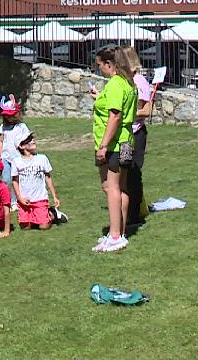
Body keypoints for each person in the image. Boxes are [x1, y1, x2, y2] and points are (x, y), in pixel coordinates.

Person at [89, 46, 138, 253]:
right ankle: (119, 232)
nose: (98, 68)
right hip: (127, 141)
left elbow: (115, 116)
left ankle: (116, 235)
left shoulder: (117, 84)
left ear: (109, 64)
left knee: (112, 187)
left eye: (99, 64)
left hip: (115, 144)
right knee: (122, 186)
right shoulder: (128, 83)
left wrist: (104, 146)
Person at [122, 46, 153, 227]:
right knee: (124, 171)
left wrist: (126, 113)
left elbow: (146, 110)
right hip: (125, 134)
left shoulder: (139, 81)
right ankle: (128, 212)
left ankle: (134, 214)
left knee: (133, 173)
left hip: (136, 134)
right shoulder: (124, 81)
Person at [11, 132, 60, 230]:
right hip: (25, 200)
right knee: (26, 228)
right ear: (21, 146)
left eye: (32, 138)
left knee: (44, 227)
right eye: (28, 140)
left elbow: (48, 177)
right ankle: (32, 217)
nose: (33, 141)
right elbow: (15, 181)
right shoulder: (16, 162)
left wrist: (54, 196)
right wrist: (20, 198)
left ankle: (52, 213)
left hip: (40, 198)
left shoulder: (42, 158)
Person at [0, 94, 29, 208]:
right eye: (7, 116)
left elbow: (27, 141)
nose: (9, 118)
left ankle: (18, 200)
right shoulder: (3, 127)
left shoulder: (22, 127)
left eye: (11, 115)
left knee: (18, 180)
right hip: (6, 158)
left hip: (18, 159)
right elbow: (1, 141)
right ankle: (8, 201)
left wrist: (27, 154)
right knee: (6, 180)